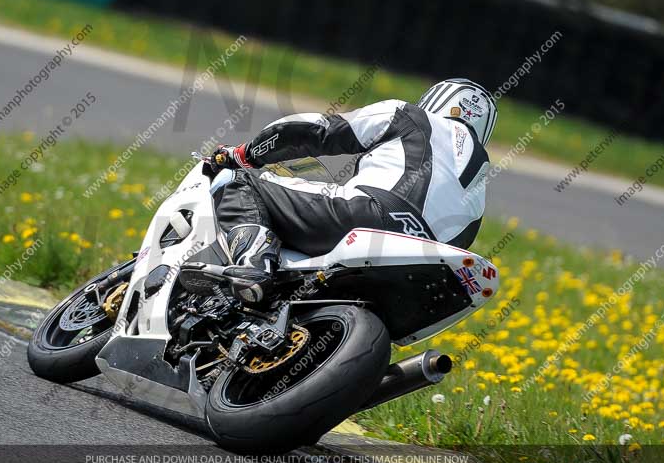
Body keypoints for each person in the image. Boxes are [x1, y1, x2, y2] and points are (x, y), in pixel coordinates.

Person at [205, 78, 498, 303]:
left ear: (434, 99)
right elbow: (463, 241)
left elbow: (315, 130)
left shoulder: (409, 116)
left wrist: (244, 154)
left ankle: (255, 264)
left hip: (367, 215)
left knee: (237, 180)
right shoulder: (481, 185)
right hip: (423, 265)